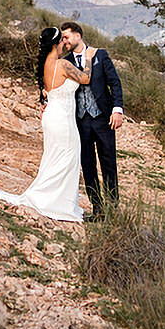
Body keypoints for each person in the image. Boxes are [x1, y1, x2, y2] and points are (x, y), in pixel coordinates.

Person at [17, 24, 89, 221]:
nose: (63, 44)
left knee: (54, 157)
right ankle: (56, 203)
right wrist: (88, 56)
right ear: (55, 44)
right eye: (61, 42)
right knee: (67, 157)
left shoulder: (44, 66)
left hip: (52, 116)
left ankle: (55, 199)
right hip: (63, 119)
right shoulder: (63, 65)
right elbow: (85, 78)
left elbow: (46, 92)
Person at [60, 20, 123, 210]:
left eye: (67, 37)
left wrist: (117, 109)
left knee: (108, 164)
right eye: (63, 38)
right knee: (87, 166)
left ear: (77, 35)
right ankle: (97, 208)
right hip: (80, 122)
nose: (65, 42)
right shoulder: (66, 62)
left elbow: (115, 83)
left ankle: (113, 208)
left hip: (103, 119)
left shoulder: (100, 55)